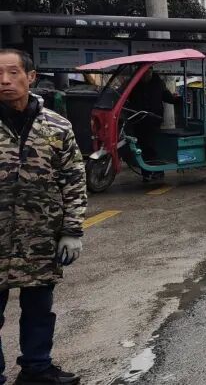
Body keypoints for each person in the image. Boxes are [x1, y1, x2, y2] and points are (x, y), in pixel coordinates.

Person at [0, 49, 84, 384]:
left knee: (38, 308)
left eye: (13, 73)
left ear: (31, 77)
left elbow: (73, 179)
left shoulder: (56, 126)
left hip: (40, 237)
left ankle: (36, 369)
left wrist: (72, 231)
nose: (5, 81)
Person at [127, 68, 181, 178]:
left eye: (148, 72)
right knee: (142, 147)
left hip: (153, 120)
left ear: (151, 72)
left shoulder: (158, 83)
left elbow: (167, 97)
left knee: (151, 146)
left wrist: (179, 100)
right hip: (138, 120)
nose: (146, 75)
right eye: (144, 73)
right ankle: (147, 172)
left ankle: (157, 171)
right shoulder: (135, 84)